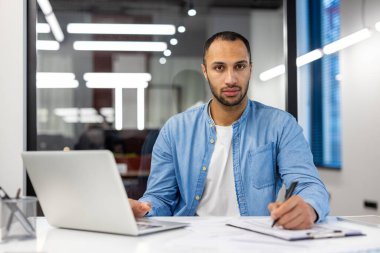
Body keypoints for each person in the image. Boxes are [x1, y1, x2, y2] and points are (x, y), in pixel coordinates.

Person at [128, 31, 329, 230]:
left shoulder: (281, 125)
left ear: (250, 68)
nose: (230, 79)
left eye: (239, 66)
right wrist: (141, 208)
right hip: (190, 240)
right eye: (219, 68)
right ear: (205, 71)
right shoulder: (175, 130)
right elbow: (160, 197)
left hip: (255, 240)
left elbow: (309, 185)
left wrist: (309, 208)